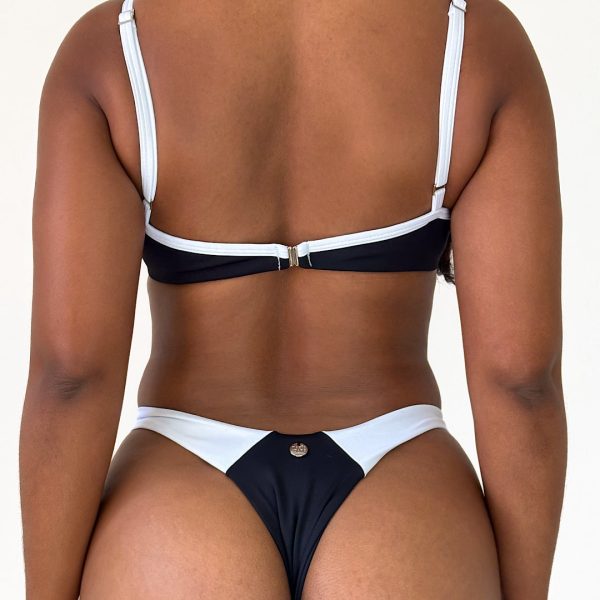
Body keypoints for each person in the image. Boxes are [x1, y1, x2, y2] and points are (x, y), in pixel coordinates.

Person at [20, 0, 567, 598]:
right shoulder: (476, 41)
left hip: (176, 504)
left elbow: (70, 376)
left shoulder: (112, 49)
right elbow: (522, 379)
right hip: (402, 499)